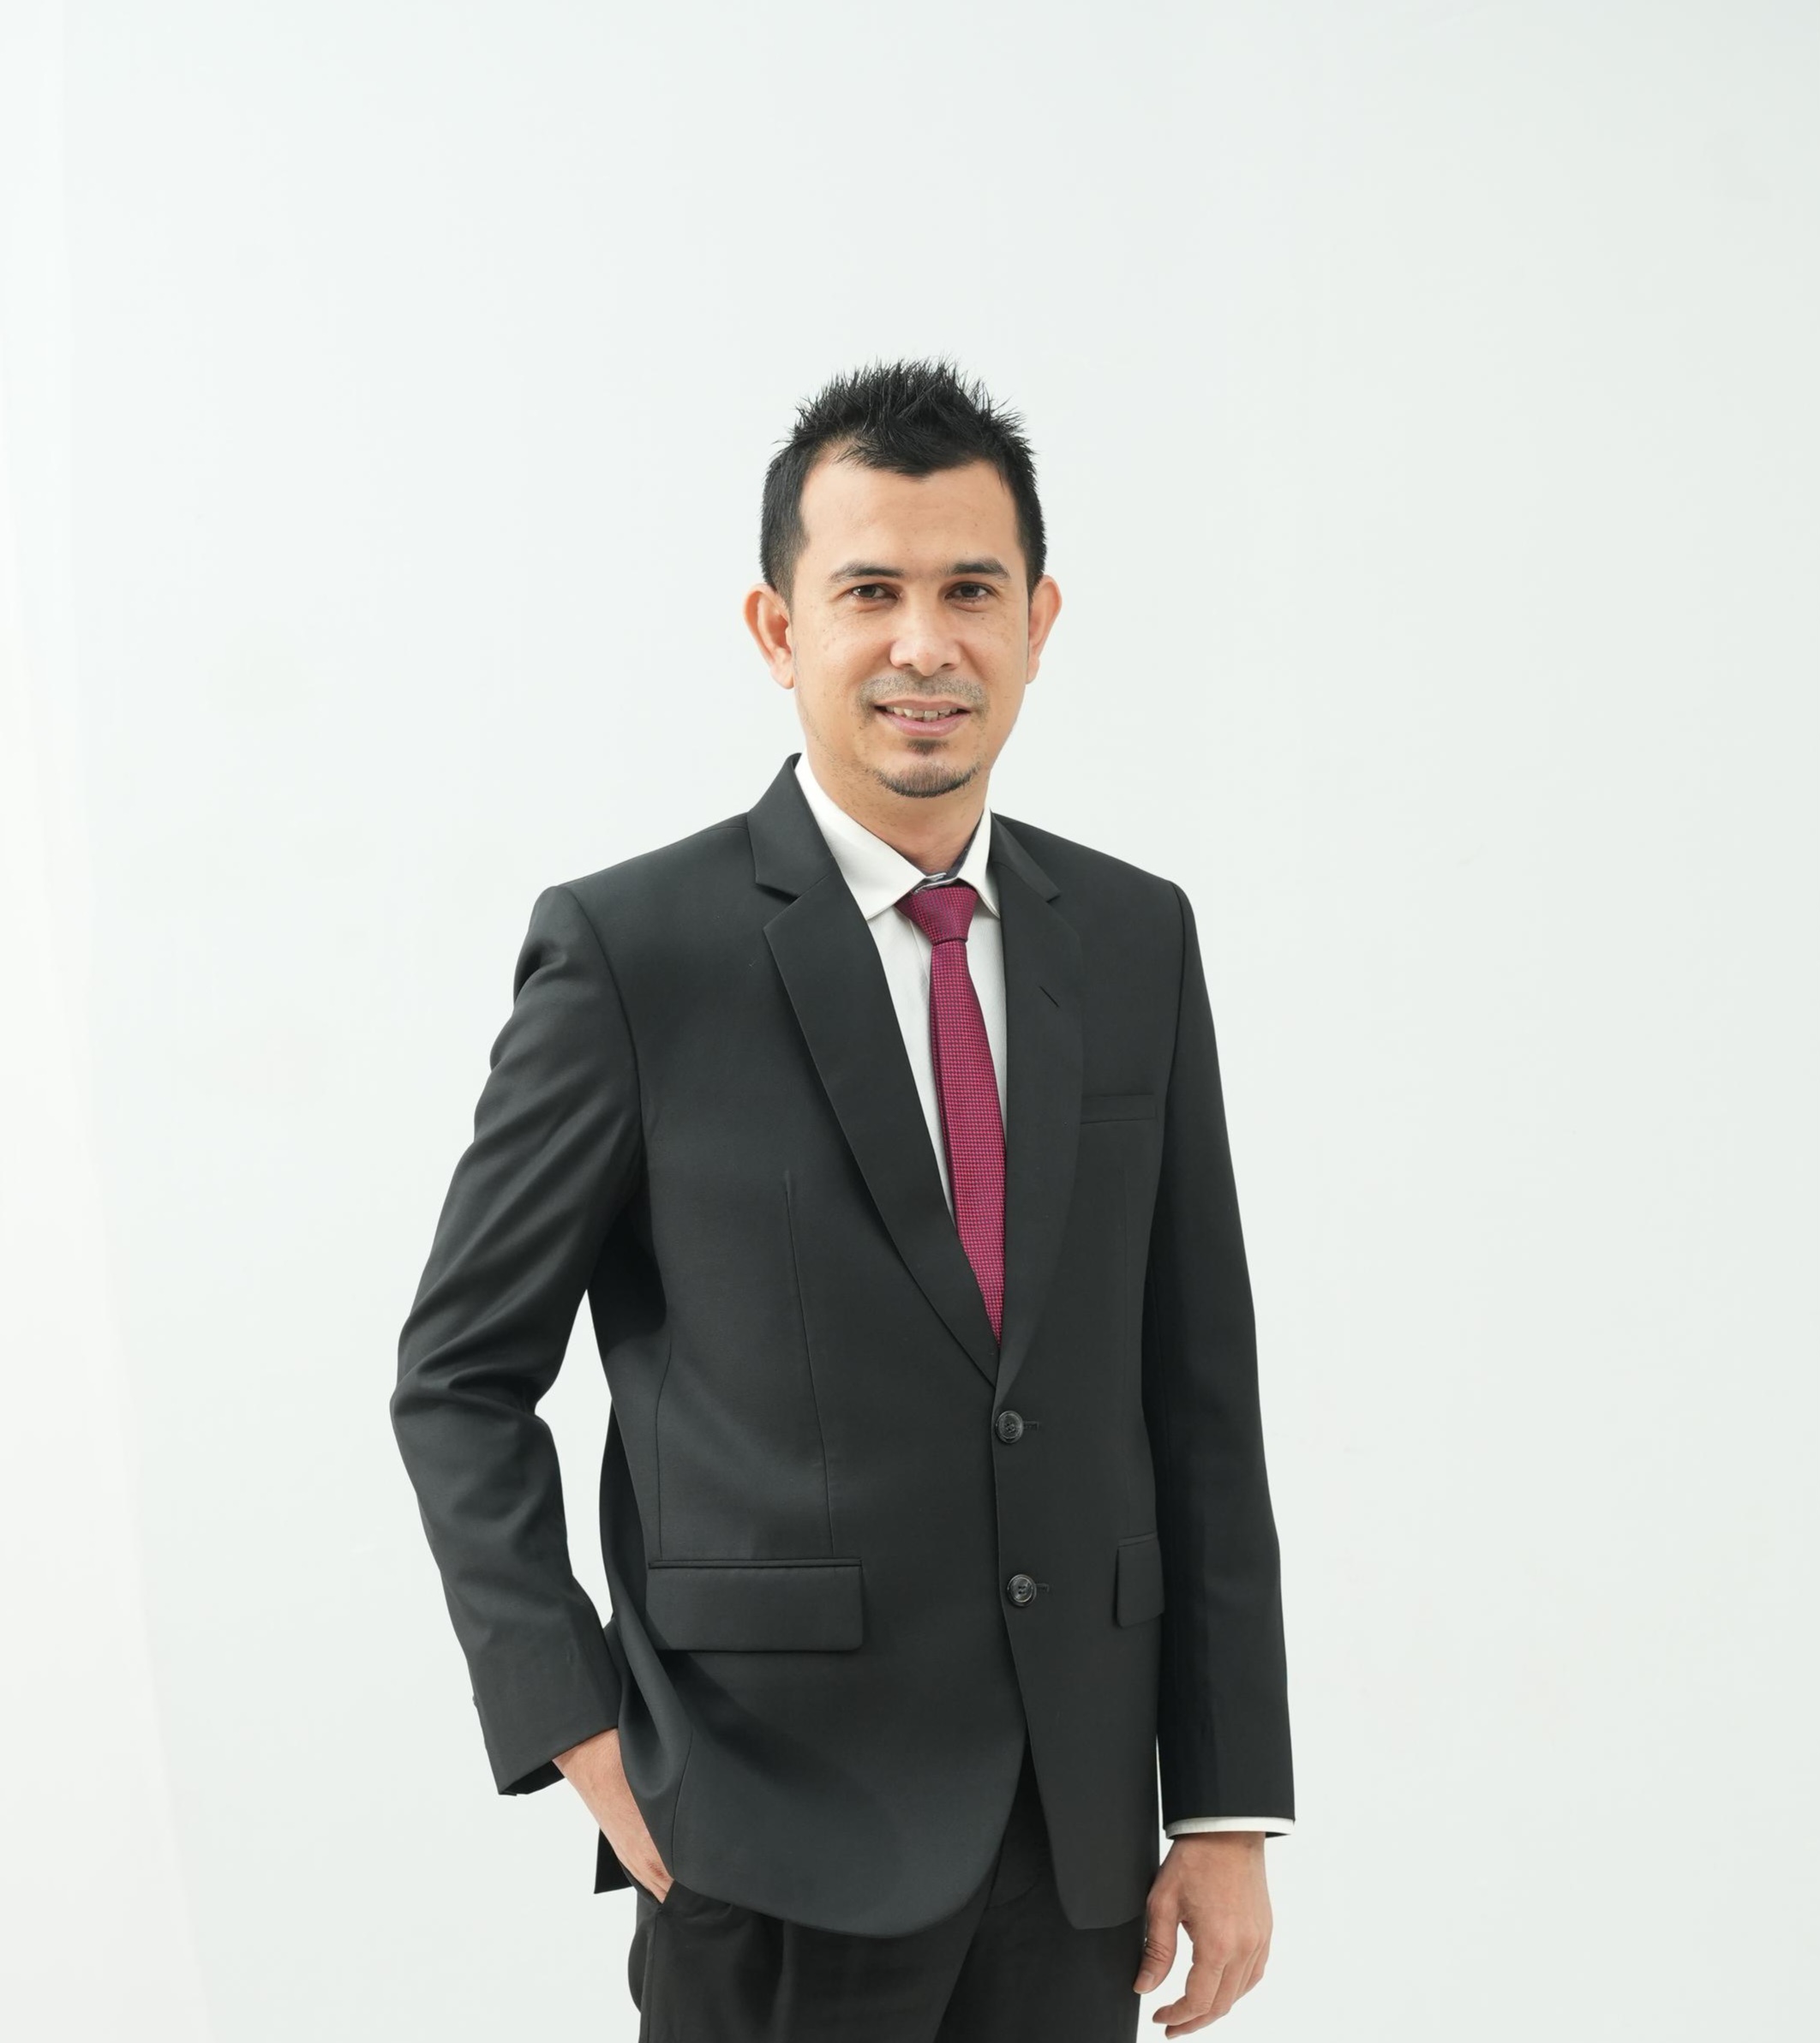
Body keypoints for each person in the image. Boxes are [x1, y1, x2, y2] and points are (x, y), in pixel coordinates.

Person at [391, 357, 1294, 2040]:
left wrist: (1228, 1801)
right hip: (763, 1826)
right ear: (777, 628)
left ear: (1039, 621)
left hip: (1078, 1835)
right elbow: (457, 1376)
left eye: (972, 592)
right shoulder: (633, 952)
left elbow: (1197, 1392)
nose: (924, 644)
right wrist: (573, 1721)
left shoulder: (1133, 938)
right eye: (869, 592)